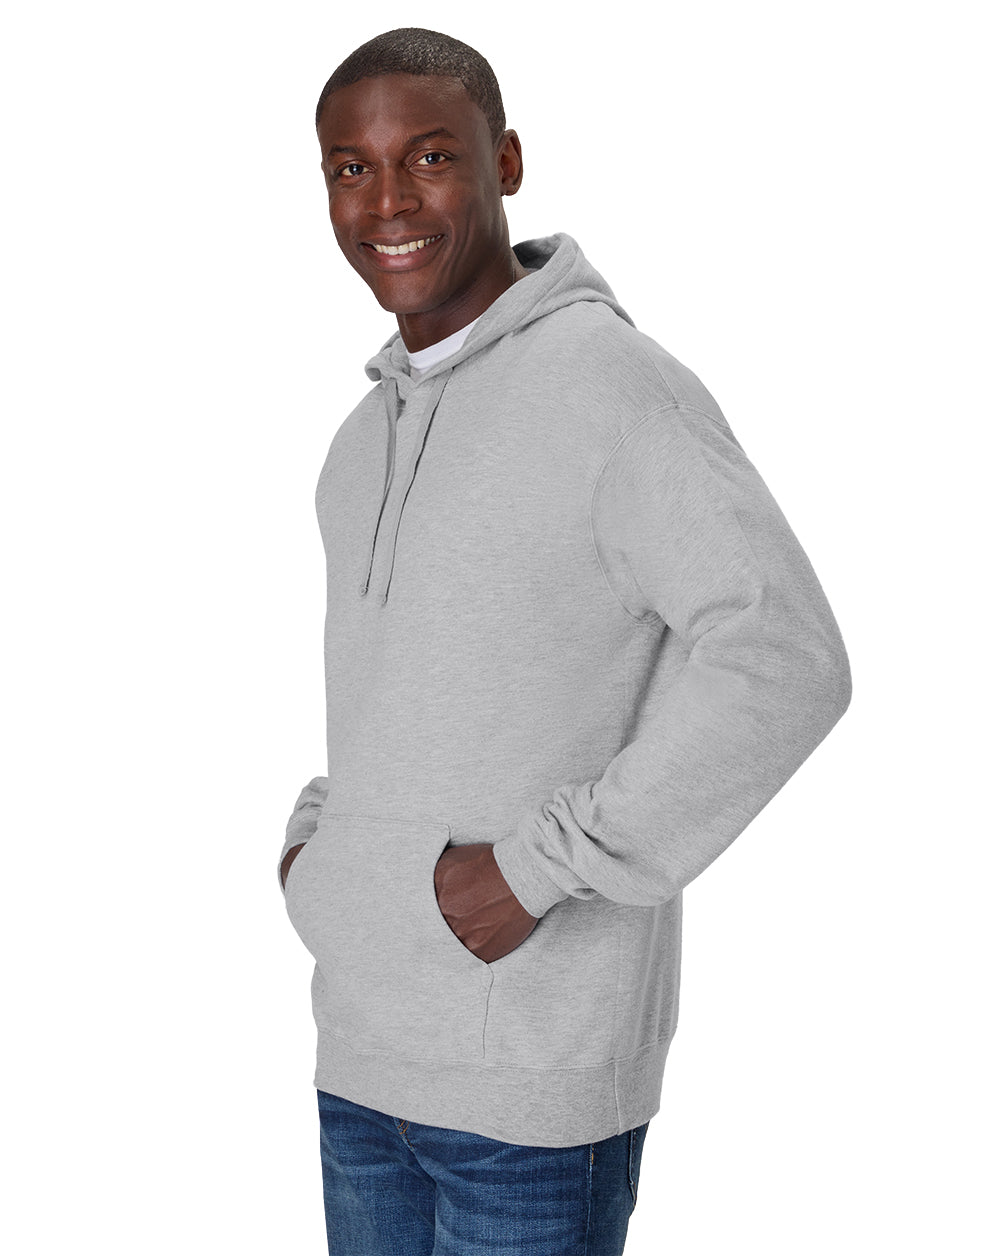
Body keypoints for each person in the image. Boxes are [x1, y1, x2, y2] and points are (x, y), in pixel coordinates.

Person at [277, 27, 852, 1256]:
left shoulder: (614, 387)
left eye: (430, 156)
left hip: (532, 1089)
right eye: (350, 168)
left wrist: (539, 868)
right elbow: (396, 704)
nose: (388, 200)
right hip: (359, 1059)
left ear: (507, 162)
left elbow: (784, 654)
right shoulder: (356, 443)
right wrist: (323, 846)